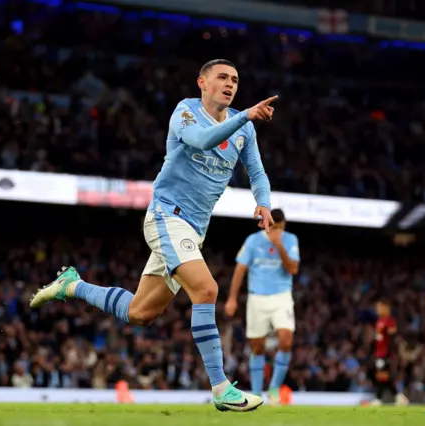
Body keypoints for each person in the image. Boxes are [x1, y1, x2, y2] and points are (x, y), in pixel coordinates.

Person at [30, 59, 280, 412]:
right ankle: (221, 388)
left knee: (140, 313)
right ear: (203, 83)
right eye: (222, 77)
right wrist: (246, 116)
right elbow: (201, 139)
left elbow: (257, 171)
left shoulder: (244, 130)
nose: (230, 84)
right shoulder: (186, 112)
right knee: (207, 289)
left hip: (195, 230)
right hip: (166, 215)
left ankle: (71, 286)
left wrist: (264, 203)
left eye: (235, 80)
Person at [225, 208, 300, 404]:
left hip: (281, 296)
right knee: (257, 347)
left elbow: (293, 269)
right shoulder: (253, 241)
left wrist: (279, 246)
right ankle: (257, 394)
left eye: (281, 227)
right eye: (275, 227)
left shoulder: (290, 240)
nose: (277, 231)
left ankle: (274, 389)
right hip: (257, 297)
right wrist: (232, 298)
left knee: (286, 341)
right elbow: (240, 269)